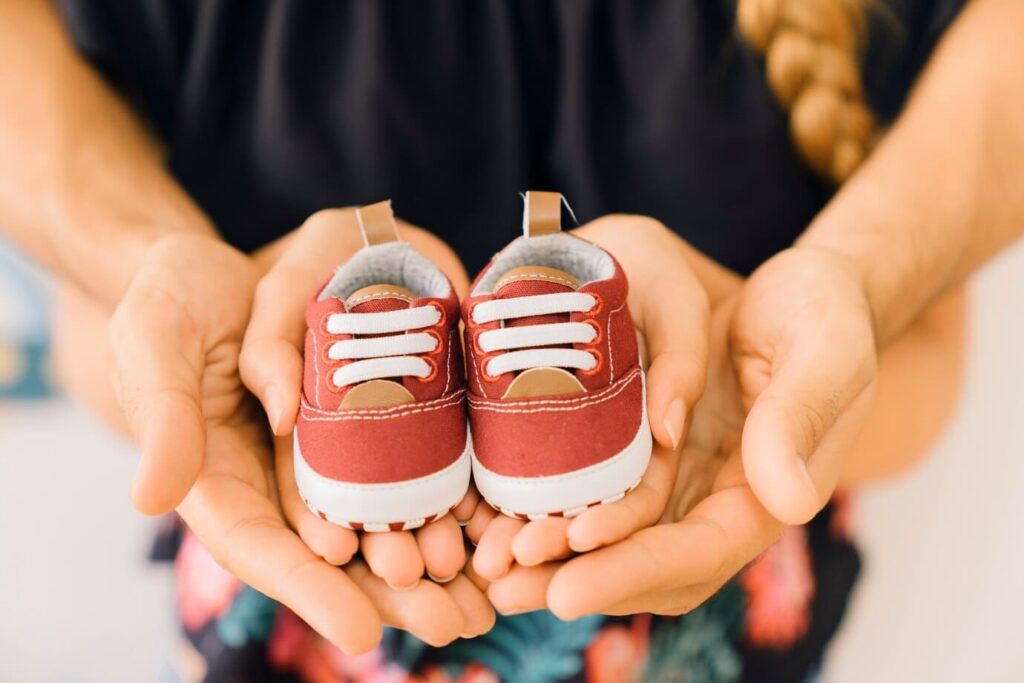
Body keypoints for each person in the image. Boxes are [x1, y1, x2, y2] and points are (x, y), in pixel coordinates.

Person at [1, 0, 1020, 680]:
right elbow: (110, 332)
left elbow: (924, 354)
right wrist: (151, 276)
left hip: (719, 605)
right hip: (283, 609)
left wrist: (794, 390)